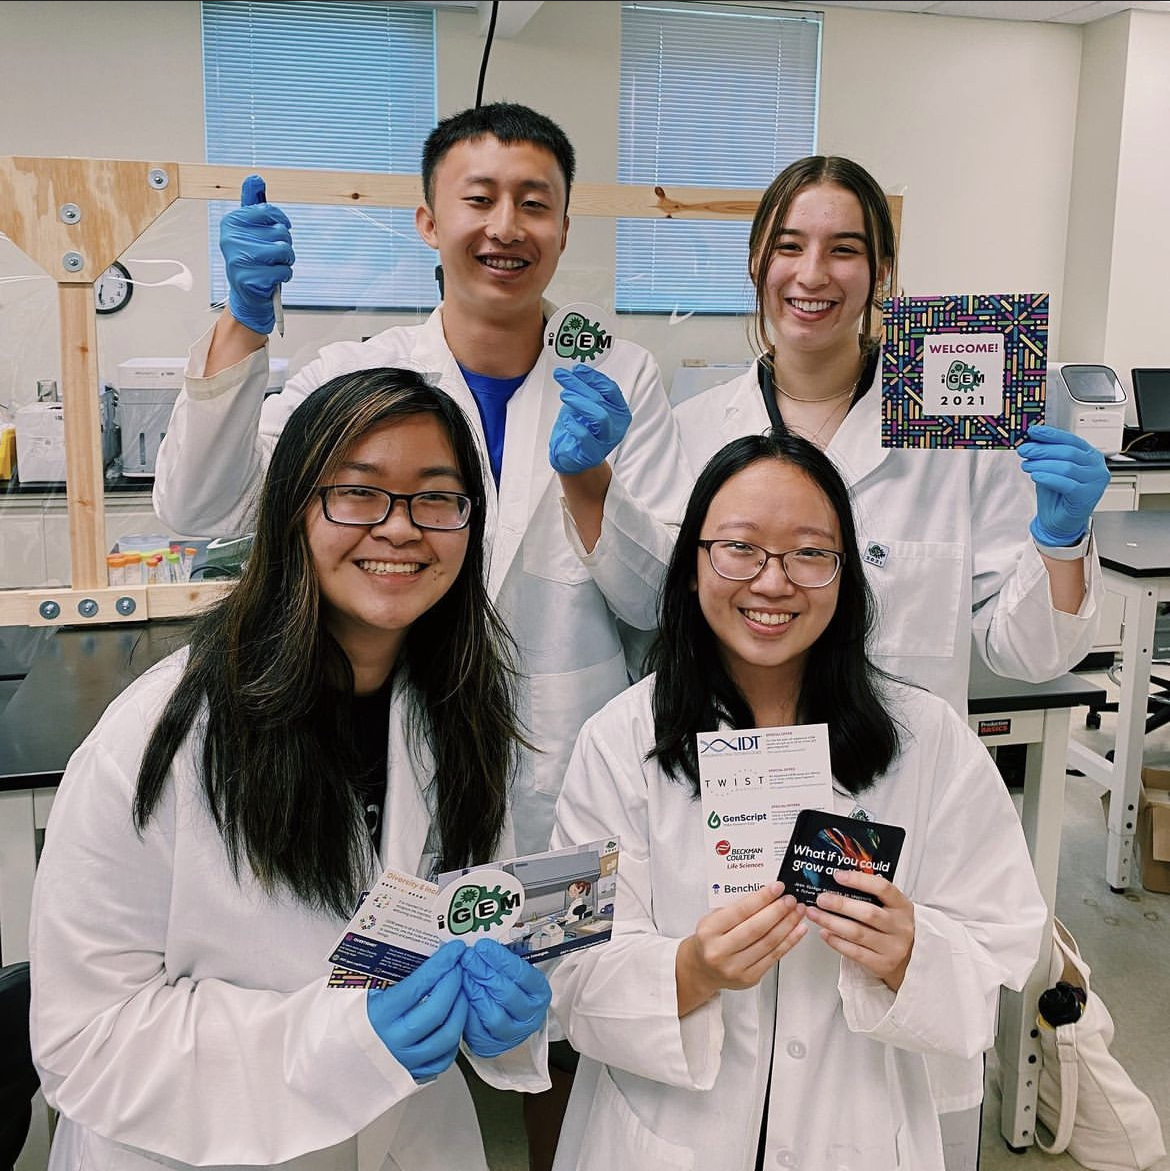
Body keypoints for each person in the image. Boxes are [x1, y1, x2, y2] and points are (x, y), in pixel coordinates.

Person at [29, 369, 553, 1171]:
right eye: (358, 492)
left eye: (437, 498)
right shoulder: (159, 738)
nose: (401, 528)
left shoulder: (460, 715)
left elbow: (470, 913)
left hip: (407, 1137)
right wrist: (344, 1039)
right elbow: (85, 1035)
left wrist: (503, 1010)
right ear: (293, 511)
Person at [153, 101, 687, 858]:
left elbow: (664, 599)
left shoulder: (621, 375)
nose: (506, 226)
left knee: (567, 970)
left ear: (565, 231)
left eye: (535, 205)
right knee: (402, 965)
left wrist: (591, 488)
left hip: (567, 752)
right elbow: (201, 505)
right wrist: (243, 321)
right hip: (387, 746)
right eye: (478, 199)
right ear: (429, 223)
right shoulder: (358, 372)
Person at [547, 431, 1048, 1171]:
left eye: (811, 553)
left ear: (845, 575)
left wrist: (913, 953)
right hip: (662, 1137)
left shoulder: (928, 740)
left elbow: (1002, 943)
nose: (773, 582)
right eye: (739, 547)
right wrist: (690, 970)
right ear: (692, 565)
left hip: (858, 1130)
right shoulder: (619, 740)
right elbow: (571, 964)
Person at [670, 155, 1110, 717]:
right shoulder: (693, 431)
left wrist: (1060, 541)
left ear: (882, 273)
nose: (812, 274)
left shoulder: (959, 438)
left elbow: (1026, 653)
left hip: (902, 776)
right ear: (756, 261)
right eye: (788, 246)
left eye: (844, 250)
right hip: (741, 770)